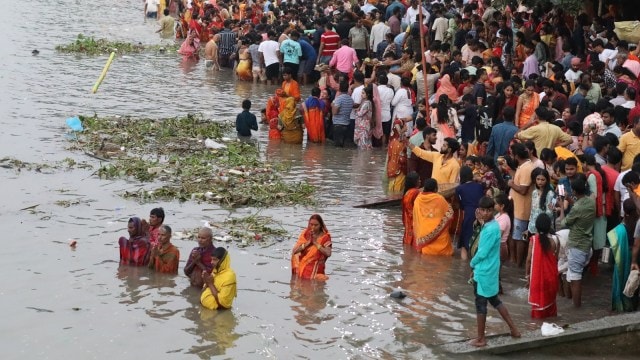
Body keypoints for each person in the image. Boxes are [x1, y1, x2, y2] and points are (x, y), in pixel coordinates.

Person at [469, 196, 521, 347]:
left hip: (484, 271)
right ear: (479, 210)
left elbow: (482, 252)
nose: (484, 213)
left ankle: (481, 338)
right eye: (482, 210)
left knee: (481, 305)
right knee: (495, 300)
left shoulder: (490, 229)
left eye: (488, 210)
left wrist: (472, 264)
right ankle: (514, 330)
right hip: (490, 270)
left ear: (492, 211)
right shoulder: (491, 225)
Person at [557, 174, 596, 307]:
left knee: (575, 277)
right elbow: (578, 206)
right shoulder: (591, 202)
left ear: (574, 191)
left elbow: (563, 223)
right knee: (575, 275)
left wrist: (562, 206)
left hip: (576, 245)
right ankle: (575, 305)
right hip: (586, 244)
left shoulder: (577, 209)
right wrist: (568, 199)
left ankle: (576, 306)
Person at [504, 143, 535, 267]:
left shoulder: (527, 168)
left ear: (516, 156)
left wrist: (511, 184)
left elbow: (523, 190)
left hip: (522, 209)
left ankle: (518, 263)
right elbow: (518, 180)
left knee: (520, 237)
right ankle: (514, 260)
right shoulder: (523, 166)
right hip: (516, 207)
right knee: (515, 235)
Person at [525, 213, 559, 319]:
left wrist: (527, 276)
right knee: (551, 310)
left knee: (538, 313)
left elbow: (529, 260)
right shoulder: (554, 241)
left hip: (537, 279)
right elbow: (555, 259)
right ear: (549, 227)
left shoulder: (533, 240)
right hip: (551, 278)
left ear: (536, 226)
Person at [608, 199, 639, 312]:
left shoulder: (619, 230)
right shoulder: (638, 223)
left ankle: (622, 306)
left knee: (623, 281)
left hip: (624, 259)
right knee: (635, 281)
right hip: (636, 257)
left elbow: (613, 251)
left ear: (624, 212)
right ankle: (634, 305)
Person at [413, 179, 454, 256]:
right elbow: (450, 213)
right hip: (439, 235)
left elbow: (416, 218)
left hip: (424, 233)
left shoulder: (418, 199)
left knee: (424, 261)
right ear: (435, 189)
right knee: (443, 260)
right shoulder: (439, 199)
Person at [291, 214, 332, 281]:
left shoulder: (325, 237)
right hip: (303, 267)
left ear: (320, 225)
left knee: (318, 283)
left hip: (316, 269)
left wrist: (316, 243)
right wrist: (308, 243)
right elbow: (295, 251)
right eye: (311, 224)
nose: (313, 227)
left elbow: (328, 253)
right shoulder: (305, 233)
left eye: (316, 225)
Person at [456, 166, 485, 260]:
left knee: (464, 243)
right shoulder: (480, 186)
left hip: (468, 215)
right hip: (481, 215)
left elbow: (460, 205)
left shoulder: (459, 189)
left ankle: (463, 265)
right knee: (478, 239)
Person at [527, 168, 555, 237]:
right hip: (532, 226)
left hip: (544, 227)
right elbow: (532, 210)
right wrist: (529, 225)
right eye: (538, 179)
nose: (540, 182)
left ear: (547, 180)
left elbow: (549, 213)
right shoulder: (534, 192)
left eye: (543, 180)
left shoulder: (550, 194)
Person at [402, 172, 421, 246]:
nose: (420, 181)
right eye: (418, 179)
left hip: (407, 221)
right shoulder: (416, 192)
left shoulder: (407, 192)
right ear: (414, 181)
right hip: (414, 221)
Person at [354, 85, 374, 149]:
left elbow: (360, 114)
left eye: (363, 93)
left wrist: (356, 111)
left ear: (367, 94)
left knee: (363, 143)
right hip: (365, 125)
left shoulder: (366, 103)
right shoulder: (368, 102)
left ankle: (362, 158)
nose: (361, 94)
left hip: (363, 125)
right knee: (366, 141)